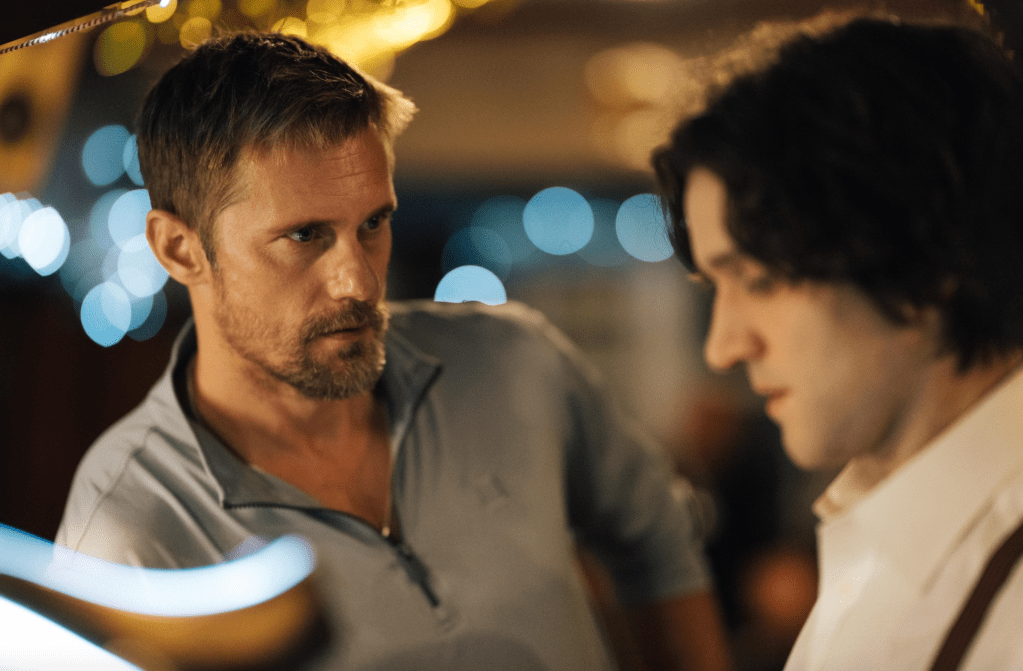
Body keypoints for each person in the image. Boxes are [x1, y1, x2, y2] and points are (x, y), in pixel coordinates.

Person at [56, 32, 730, 671]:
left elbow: (656, 538)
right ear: (179, 249)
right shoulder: (127, 529)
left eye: (373, 223)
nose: (358, 281)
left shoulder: (515, 360)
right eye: (305, 235)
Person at [653, 12, 1023, 671]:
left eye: (760, 280)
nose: (723, 348)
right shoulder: (882, 543)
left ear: (923, 260)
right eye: (716, 287)